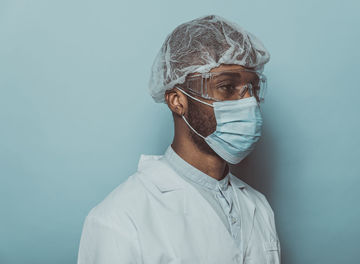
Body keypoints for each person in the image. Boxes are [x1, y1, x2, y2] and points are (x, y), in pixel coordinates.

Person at [77, 14, 281, 264]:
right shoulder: (120, 219)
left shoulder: (258, 207)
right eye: (227, 87)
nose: (248, 103)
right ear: (177, 101)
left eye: (253, 89)